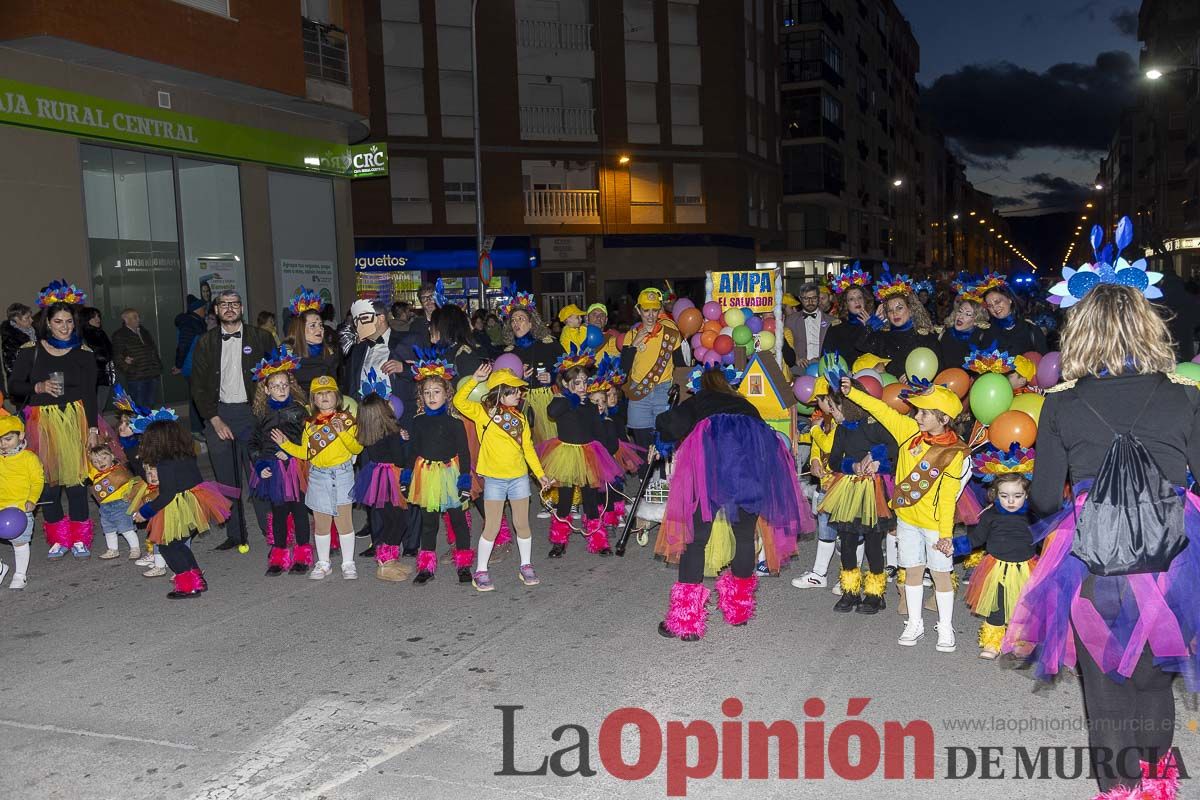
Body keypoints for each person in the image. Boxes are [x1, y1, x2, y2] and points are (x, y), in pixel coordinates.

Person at [1004, 281, 1200, 796]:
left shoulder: (1062, 404)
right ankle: (1155, 791)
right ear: (1149, 327)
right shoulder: (1185, 395)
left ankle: (1118, 791)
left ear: (1081, 333)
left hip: (1093, 562)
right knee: (1156, 684)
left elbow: (1045, 499)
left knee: (1108, 689)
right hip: (1172, 560)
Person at [654, 365, 811, 641]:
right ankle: (738, 610)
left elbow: (670, 426)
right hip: (748, 471)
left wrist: (662, 423)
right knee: (743, 536)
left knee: (696, 538)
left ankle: (687, 620)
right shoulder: (745, 405)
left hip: (711, 470)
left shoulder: (702, 399)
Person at [841, 376, 969, 653]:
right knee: (911, 572)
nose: (917, 416)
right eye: (918, 411)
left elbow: (948, 497)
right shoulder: (908, 432)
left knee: (940, 575)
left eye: (924, 413)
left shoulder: (953, 452)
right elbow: (882, 410)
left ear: (944, 418)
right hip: (907, 521)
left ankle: (945, 627)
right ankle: (914, 622)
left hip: (935, 526)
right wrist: (854, 394)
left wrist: (946, 535)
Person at [9, 281, 101, 558]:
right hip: (42, 422)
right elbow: (14, 386)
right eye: (58, 321)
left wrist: (93, 428)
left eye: (69, 322)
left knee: (76, 481)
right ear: (47, 323)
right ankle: (58, 538)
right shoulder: (30, 350)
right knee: (48, 483)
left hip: (75, 419)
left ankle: (80, 537)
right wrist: (36, 387)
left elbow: (90, 394)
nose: (64, 327)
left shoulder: (83, 354)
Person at [190, 289, 275, 552]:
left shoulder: (261, 338)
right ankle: (235, 533)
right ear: (216, 310)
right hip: (220, 415)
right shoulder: (205, 342)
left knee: (259, 474)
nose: (229, 308)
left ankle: (271, 531)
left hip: (253, 414)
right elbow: (198, 386)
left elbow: (277, 375)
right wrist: (213, 419)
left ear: (242, 308)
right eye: (223, 304)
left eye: (234, 304)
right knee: (226, 479)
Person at [454, 363, 551, 592]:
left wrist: (541, 475)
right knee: (492, 526)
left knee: (522, 524)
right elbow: (458, 402)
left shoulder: (521, 418)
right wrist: (474, 379)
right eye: (514, 391)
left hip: (519, 479)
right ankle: (481, 570)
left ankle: (526, 565)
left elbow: (528, 449)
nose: (519, 394)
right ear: (500, 393)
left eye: (518, 390)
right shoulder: (482, 413)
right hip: (495, 481)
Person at [813, 376, 898, 615]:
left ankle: (875, 593)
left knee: (873, 542)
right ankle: (850, 590)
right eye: (830, 405)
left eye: (836, 406)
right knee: (848, 542)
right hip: (848, 487)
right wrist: (852, 466)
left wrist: (874, 457)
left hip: (873, 488)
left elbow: (894, 447)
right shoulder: (842, 429)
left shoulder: (873, 423)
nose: (832, 411)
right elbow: (836, 459)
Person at [131, 412, 237, 599]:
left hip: (177, 507)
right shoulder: (187, 456)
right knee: (179, 545)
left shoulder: (164, 465)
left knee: (167, 547)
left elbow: (167, 495)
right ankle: (197, 579)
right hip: (193, 504)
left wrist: (144, 512)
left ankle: (188, 586)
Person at [538, 348, 624, 558]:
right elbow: (552, 413)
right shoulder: (562, 401)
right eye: (577, 382)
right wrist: (570, 398)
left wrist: (606, 452)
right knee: (565, 500)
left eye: (585, 382)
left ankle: (598, 540)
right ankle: (559, 541)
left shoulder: (591, 406)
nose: (583, 386)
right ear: (567, 384)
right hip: (566, 455)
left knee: (591, 500)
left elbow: (597, 432)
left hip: (588, 455)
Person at [276, 375, 362, 580]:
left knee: (344, 521)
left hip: (341, 474)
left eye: (328, 392)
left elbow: (357, 447)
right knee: (321, 522)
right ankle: (323, 563)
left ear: (337, 397)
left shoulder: (347, 420)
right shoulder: (309, 424)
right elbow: (306, 453)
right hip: (318, 476)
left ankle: (348, 563)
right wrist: (286, 444)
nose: (324, 397)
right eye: (319, 394)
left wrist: (342, 433)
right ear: (313, 400)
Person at [400, 355, 475, 584]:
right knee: (429, 522)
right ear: (421, 396)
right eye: (427, 393)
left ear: (446, 394)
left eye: (437, 392)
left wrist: (464, 481)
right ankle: (426, 567)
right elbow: (413, 451)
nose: (432, 397)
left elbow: (464, 453)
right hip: (426, 475)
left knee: (458, 520)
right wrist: (406, 477)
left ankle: (463, 565)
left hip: (450, 474)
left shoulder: (455, 423)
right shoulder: (418, 421)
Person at [956, 450, 1037, 660]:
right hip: (996, 567)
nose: (1011, 500)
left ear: (1027, 494)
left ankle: (1019, 640)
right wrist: (953, 547)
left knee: (1023, 605)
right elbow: (976, 539)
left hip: (1025, 568)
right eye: (1004, 495)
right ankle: (992, 642)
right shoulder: (991, 515)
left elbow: (1044, 541)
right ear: (995, 494)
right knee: (997, 605)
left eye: (1017, 496)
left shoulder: (1033, 516)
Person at [248, 347, 312, 577]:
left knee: (299, 509)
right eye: (275, 386)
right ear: (266, 389)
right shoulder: (260, 413)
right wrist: (261, 464)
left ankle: (303, 555)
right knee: (278, 512)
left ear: (291, 385)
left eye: (285, 385)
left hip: (294, 468)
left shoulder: (299, 410)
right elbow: (253, 444)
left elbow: (309, 441)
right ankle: (279, 555)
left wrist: (292, 452)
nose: (281, 389)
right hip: (273, 470)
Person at [352, 380, 415, 582]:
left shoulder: (368, 432)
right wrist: (405, 443)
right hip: (392, 477)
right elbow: (399, 459)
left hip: (376, 477)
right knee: (400, 520)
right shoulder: (392, 431)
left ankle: (388, 560)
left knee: (389, 519)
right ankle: (385, 561)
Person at [499, 293, 561, 444]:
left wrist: (552, 376)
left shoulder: (549, 344)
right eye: (513, 320)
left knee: (548, 446)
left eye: (520, 318)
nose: (516, 323)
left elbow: (568, 370)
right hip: (518, 402)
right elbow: (499, 383)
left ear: (532, 323)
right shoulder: (509, 352)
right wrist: (518, 379)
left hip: (546, 400)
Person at [855, 272, 938, 379]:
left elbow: (938, 369)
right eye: (890, 310)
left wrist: (916, 380)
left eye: (899, 308)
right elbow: (859, 346)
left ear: (911, 309)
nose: (895, 313)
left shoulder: (926, 338)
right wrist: (871, 326)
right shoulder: (883, 338)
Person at [0, 414, 44, 590]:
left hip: (20, 508)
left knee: (20, 543)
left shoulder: (29, 458)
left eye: (8, 439)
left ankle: (20, 575)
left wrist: (32, 500)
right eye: (0, 440)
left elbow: (37, 481)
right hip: (1, 506)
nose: (3, 444)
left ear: (21, 436)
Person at [87, 441, 142, 561]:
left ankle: (135, 548)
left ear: (112, 456)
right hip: (105, 506)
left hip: (121, 504)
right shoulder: (95, 473)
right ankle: (112, 549)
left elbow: (132, 487)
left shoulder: (119, 470)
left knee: (126, 528)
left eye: (104, 458)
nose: (100, 462)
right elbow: (85, 464)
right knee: (108, 529)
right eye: (95, 461)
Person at [972, 273, 1047, 355]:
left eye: (997, 302)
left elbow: (1044, 362)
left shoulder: (1030, 330)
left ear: (1009, 299)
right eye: (990, 305)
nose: (995, 307)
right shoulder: (985, 331)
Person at [284, 288, 341, 388]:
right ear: (300, 329)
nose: (319, 330)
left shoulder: (330, 352)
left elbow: (334, 387)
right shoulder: (286, 353)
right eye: (313, 326)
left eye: (320, 325)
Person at [110, 308, 162, 410]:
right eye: (134, 317)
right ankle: (141, 426)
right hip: (137, 377)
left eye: (138, 316)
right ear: (125, 319)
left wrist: (158, 366)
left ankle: (149, 425)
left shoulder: (144, 332)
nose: (138, 319)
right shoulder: (120, 335)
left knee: (150, 404)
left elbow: (153, 350)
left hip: (152, 374)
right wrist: (131, 370)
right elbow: (118, 357)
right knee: (139, 406)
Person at [174, 295, 208, 438]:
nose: (205, 311)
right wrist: (179, 365)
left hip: (195, 366)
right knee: (196, 399)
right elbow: (183, 347)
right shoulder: (190, 324)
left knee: (197, 398)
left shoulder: (195, 322)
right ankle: (196, 429)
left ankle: (199, 427)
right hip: (193, 367)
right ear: (197, 309)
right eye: (202, 308)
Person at [937, 277, 988, 373]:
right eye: (960, 311)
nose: (961, 316)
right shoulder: (946, 333)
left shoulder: (981, 338)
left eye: (968, 314)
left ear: (975, 319)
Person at [822, 266, 874, 359]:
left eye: (859, 298)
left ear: (865, 300)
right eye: (851, 299)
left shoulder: (876, 323)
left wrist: (869, 328)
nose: (856, 302)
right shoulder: (836, 326)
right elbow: (827, 355)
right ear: (845, 303)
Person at [783, 282, 836, 371]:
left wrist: (822, 359)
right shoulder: (790, 320)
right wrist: (796, 359)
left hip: (824, 368)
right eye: (806, 298)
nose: (810, 302)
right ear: (800, 299)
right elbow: (787, 345)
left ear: (818, 298)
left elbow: (835, 347)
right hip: (799, 368)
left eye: (814, 298)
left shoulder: (832, 321)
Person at [80, 307, 115, 413]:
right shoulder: (82, 335)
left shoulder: (101, 333)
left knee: (100, 406)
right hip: (92, 376)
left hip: (106, 374)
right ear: (86, 319)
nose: (97, 319)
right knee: (93, 409)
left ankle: (99, 427)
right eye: (93, 317)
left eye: (98, 316)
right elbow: (86, 356)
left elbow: (110, 351)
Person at [1, 303, 36, 406]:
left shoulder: (33, 332)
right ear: (17, 319)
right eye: (27, 318)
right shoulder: (11, 338)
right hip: (22, 385)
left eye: (31, 316)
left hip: (35, 382)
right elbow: (11, 366)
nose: (32, 320)